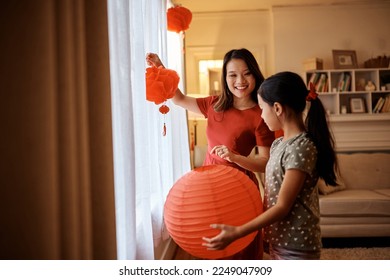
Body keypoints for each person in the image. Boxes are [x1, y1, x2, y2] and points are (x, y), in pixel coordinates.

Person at [146, 49, 275, 259]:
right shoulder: (214, 104)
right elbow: (178, 99)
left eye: (246, 73)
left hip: (238, 190)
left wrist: (236, 158)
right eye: (233, 74)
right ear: (225, 77)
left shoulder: (261, 114)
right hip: (208, 187)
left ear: (255, 74)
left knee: (240, 250)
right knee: (213, 245)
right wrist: (160, 68)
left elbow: (265, 162)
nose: (240, 80)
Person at [202, 71, 339, 260]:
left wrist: (239, 231)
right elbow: (268, 172)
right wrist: (234, 158)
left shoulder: (301, 147)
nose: (261, 116)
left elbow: (282, 206)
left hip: (297, 243)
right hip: (279, 240)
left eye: (261, 109)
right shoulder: (278, 144)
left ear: (277, 108)